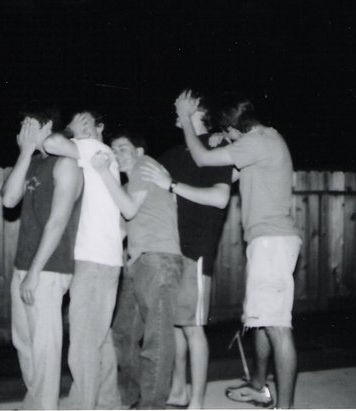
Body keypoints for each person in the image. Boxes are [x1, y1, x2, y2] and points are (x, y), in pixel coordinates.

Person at [175, 90, 301, 408]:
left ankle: (285, 407)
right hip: (267, 241)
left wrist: (187, 121)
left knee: (277, 327)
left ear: (236, 127)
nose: (227, 136)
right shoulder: (263, 142)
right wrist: (219, 140)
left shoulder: (258, 142)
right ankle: (258, 386)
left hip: (271, 242)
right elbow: (223, 168)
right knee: (260, 319)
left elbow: (202, 159)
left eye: (228, 130)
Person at [139, 93, 233, 409]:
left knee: (193, 328)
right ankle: (179, 390)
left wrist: (172, 185)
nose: (175, 108)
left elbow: (220, 198)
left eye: (184, 105)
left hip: (197, 249)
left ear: (200, 111)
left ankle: (198, 402)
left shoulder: (218, 150)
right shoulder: (173, 154)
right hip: (169, 250)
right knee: (176, 325)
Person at [92, 132, 183, 409]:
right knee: (123, 333)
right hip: (137, 263)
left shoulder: (146, 166)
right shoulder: (130, 185)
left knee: (156, 338)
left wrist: (102, 172)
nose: (117, 154)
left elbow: (129, 210)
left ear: (139, 151)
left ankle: (152, 405)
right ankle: (132, 398)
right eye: (113, 149)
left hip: (158, 260)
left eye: (123, 148)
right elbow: (121, 228)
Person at [2, 103, 83, 410]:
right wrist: (25, 153)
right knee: (24, 343)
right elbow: (9, 199)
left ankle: (46, 407)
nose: (23, 132)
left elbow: (58, 221)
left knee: (45, 347)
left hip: (49, 267)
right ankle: (35, 403)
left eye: (30, 126)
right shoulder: (33, 162)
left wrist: (35, 271)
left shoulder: (67, 163)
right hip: (23, 264)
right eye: (21, 126)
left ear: (48, 127)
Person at [43, 111, 123, 409]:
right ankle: (107, 402)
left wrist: (70, 129)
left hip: (93, 260)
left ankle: (82, 405)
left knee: (84, 342)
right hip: (104, 260)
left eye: (87, 121)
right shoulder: (97, 156)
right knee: (99, 338)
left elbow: (51, 143)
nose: (82, 125)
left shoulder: (95, 149)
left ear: (101, 128)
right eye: (79, 120)